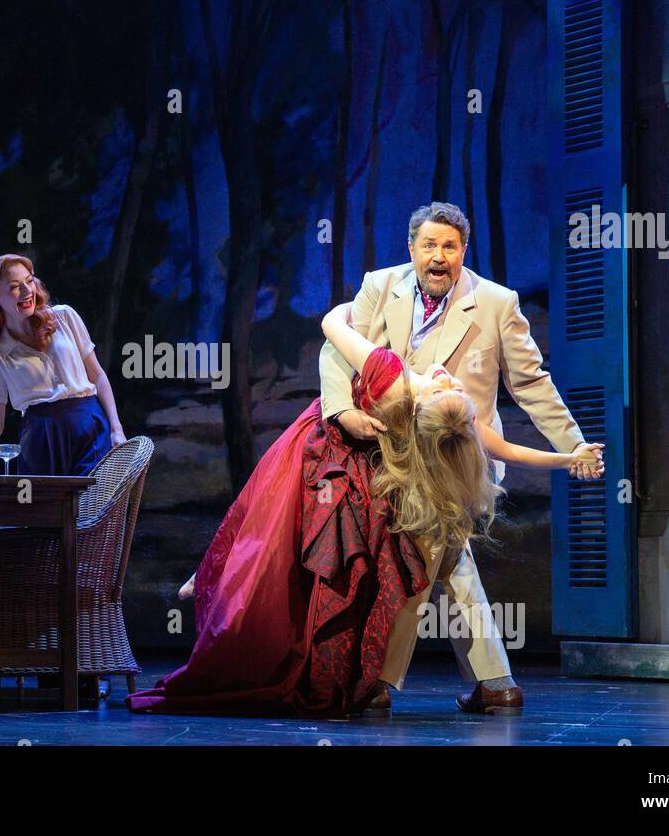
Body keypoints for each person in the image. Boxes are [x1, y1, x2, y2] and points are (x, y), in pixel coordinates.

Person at [129, 302, 602, 717]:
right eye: (453, 385)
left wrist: (352, 313)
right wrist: (569, 458)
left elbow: (332, 322)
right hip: (340, 456)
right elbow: (509, 451)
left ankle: (225, 584)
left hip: (322, 450)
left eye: (445, 386)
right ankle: (217, 577)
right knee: (277, 530)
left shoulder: (396, 375)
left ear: (426, 409)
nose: (449, 376)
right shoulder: (437, 414)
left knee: (283, 537)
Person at [318, 201, 604, 715]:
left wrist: (571, 446)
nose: (438, 256)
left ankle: (383, 682)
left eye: (449, 247)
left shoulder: (495, 302)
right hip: (390, 456)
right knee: (433, 562)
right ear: (412, 248)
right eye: (428, 245)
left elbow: (531, 384)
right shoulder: (380, 286)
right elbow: (339, 353)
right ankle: (491, 683)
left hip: (457, 458)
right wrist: (339, 412)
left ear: (463, 251)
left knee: (430, 555)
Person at [0, 254, 126, 476]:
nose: (27, 291)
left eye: (29, 280)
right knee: (48, 509)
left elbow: (97, 375)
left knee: (94, 505)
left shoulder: (65, 317)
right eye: (14, 286)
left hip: (90, 425)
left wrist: (116, 429)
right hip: (41, 438)